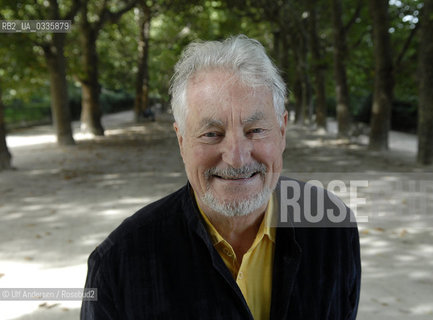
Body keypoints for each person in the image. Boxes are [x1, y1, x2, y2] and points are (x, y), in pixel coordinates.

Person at [81, 35, 361, 320]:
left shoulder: (333, 226)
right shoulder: (118, 264)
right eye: (212, 134)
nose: (237, 158)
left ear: (282, 131)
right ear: (181, 141)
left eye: (255, 130)